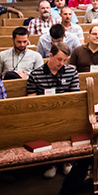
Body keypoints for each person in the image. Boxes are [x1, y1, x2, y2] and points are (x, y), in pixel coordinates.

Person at [27, 41, 79, 178]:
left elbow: (74, 98)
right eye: (59, 59)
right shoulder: (36, 74)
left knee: (69, 121)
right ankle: (52, 163)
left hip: (65, 112)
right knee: (46, 124)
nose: (62, 63)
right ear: (50, 56)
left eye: (65, 60)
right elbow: (31, 100)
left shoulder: (71, 72)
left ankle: (67, 160)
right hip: (43, 113)